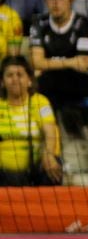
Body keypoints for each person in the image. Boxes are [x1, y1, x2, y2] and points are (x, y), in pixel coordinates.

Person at [29, 0, 88, 134]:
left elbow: (83, 64)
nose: (56, 2)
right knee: (48, 90)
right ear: (45, 0)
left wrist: (50, 63)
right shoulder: (39, 23)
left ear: (71, 0)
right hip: (53, 83)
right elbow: (36, 62)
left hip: (82, 81)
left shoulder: (82, 23)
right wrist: (70, 62)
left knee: (46, 83)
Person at [0, 55, 63, 186]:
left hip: (34, 171)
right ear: (2, 82)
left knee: (52, 163)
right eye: (9, 75)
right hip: (3, 174)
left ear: (29, 80)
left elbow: (50, 132)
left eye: (19, 74)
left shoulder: (40, 102)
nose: (15, 79)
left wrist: (49, 154)